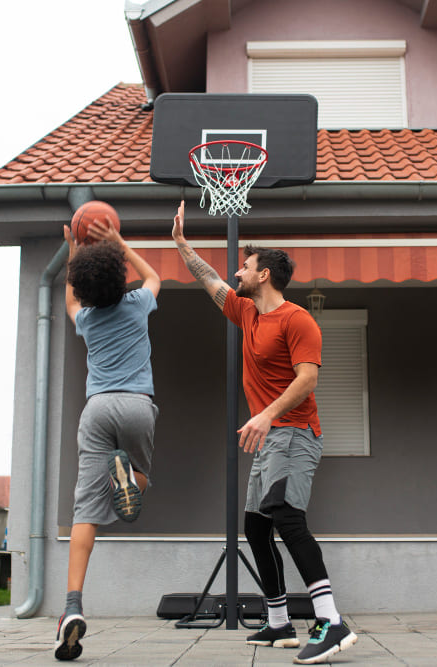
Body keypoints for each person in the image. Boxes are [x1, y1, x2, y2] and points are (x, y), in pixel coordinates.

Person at [171, 200, 357, 664]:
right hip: (272, 437)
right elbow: (210, 281)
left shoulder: (297, 320)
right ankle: (279, 623)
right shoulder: (247, 312)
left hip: (295, 433)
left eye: (245, 266)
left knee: (287, 517)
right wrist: (182, 245)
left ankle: (331, 621)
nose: (237, 272)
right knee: (256, 527)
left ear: (264, 275)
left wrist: (266, 414)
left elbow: (308, 379)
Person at [54, 215, 161, 661]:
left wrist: (72, 254)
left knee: (85, 510)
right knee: (142, 478)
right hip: (137, 405)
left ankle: (72, 606)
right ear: (119, 278)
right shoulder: (137, 304)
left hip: (97, 409)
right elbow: (154, 277)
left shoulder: (88, 320)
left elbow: (69, 301)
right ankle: (128, 480)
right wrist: (120, 242)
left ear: (85, 287)